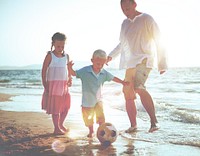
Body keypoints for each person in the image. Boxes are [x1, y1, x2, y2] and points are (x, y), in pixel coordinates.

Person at [107, 0, 168, 133]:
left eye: (127, 8)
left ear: (134, 5)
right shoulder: (124, 24)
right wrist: (110, 56)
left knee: (138, 88)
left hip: (144, 59)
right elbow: (122, 44)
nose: (125, 11)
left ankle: (154, 122)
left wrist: (162, 64)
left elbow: (159, 39)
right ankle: (133, 126)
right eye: (122, 9)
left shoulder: (146, 19)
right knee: (127, 93)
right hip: (130, 63)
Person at [68, 49, 128, 138]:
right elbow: (74, 73)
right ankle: (91, 131)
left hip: (98, 101)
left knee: (101, 118)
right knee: (88, 119)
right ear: (92, 61)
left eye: (102, 64)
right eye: (98, 64)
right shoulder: (85, 71)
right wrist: (69, 67)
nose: (100, 66)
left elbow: (113, 78)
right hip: (87, 102)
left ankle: (101, 131)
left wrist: (122, 82)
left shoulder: (104, 73)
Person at [41, 32, 72, 135]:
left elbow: (68, 70)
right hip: (53, 86)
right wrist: (45, 83)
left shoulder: (66, 56)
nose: (60, 48)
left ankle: (61, 124)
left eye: (62, 46)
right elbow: (44, 70)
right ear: (53, 44)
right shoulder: (50, 55)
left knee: (66, 107)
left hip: (64, 86)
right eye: (58, 46)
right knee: (56, 109)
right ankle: (56, 128)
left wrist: (70, 79)